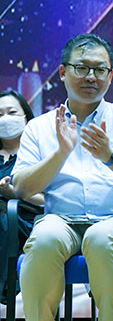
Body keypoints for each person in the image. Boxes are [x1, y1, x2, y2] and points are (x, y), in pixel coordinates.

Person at [11, 33, 113, 321]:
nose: (91, 76)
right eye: (81, 68)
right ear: (63, 72)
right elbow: (22, 188)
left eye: (99, 69)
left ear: (111, 76)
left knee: (102, 238)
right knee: (43, 239)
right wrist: (60, 153)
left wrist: (110, 156)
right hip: (61, 220)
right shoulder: (40, 126)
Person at [0, 90, 42, 302]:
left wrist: (15, 193)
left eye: (12, 112)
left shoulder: (40, 155)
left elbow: (51, 200)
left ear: (26, 116)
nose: (5, 119)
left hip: (27, 222)